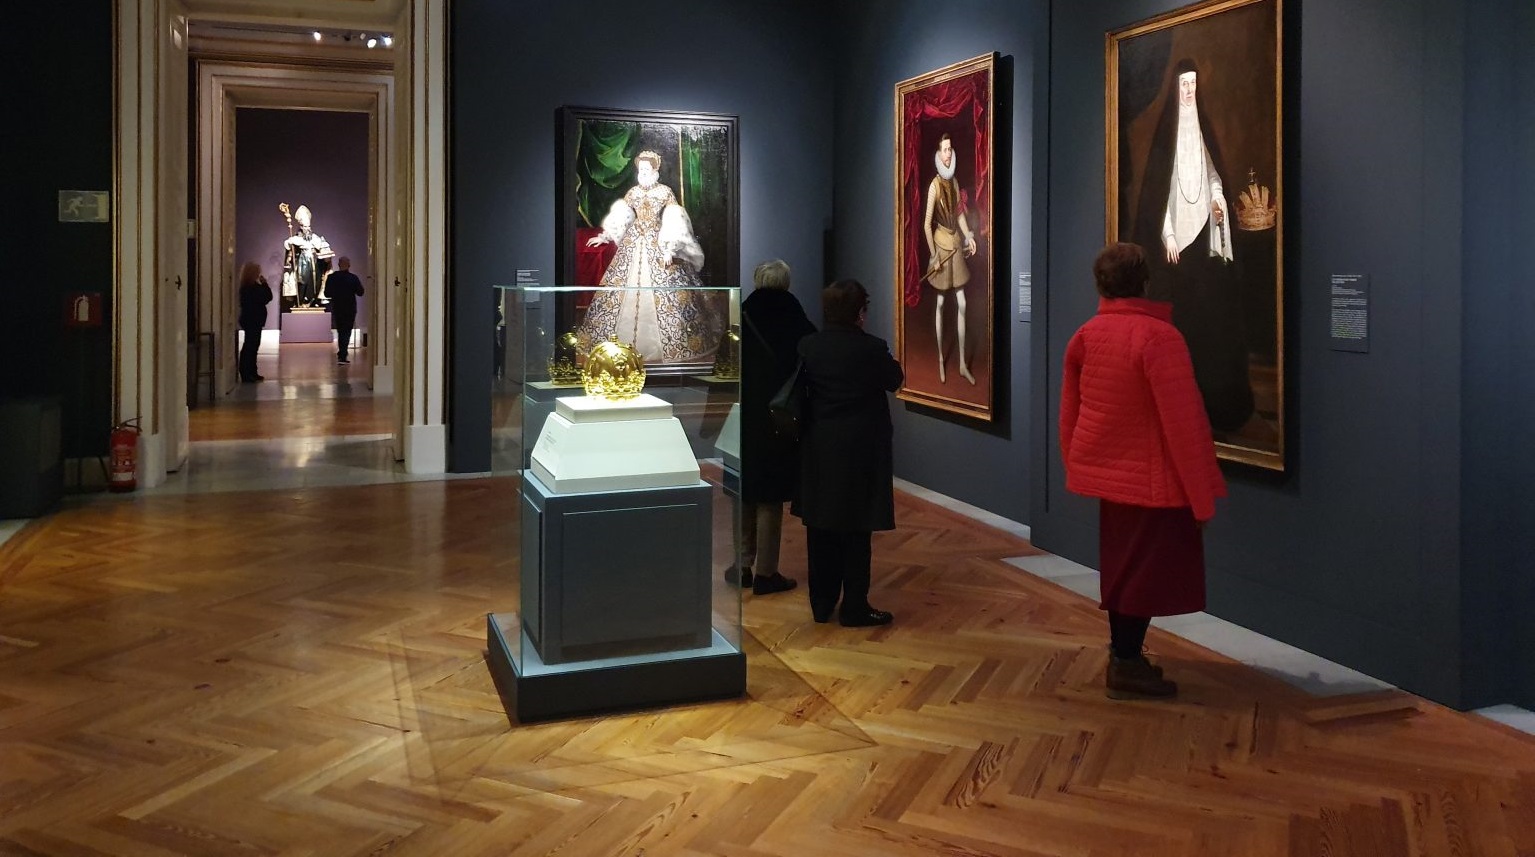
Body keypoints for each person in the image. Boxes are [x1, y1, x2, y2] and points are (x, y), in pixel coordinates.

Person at [1059, 243, 1227, 699]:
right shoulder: (1158, 338)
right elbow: (1184, 421)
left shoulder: (1087, 334)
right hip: (1152, 481)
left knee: (1122, 569)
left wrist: (1078, 463)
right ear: (1145, 281)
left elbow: (1070, 412)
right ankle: (1126, 662)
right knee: (1142, 574)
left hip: (1113, 479)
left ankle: (1124, 656)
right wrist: (1201, 494)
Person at [1131, 59, 1254, 433]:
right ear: (1175, 87)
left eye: (1193, 84)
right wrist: (1167, 235)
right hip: (1175, 248)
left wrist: (1217, 198)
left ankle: (1215, 401)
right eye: (1184, 84)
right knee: (1179, 323)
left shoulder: (1202, 131)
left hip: (1204, 242)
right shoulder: (1168, 135)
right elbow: (1158, 198)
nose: (1188, 90)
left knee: (1210, 319)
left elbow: (1214, 176)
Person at [794, 279, 904, 627]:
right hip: (860, 448)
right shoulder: (871, 348)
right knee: (857, 529)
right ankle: (854, 605)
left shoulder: (809, 346)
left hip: (820, 445)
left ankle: (821, 603)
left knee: (821, 526)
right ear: (860, 312)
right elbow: (894, 379)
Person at [576, 150, 724, 364]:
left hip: (658, 240)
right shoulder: (633, 192)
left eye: (647, 169)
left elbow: (675, 219)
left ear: (655, 170)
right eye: (640, 169)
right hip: (634, 241)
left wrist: (669, 250)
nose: (642, 172)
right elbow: (623, 216)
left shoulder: (665, 192)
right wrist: (605, 236)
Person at [727, 260, 816, 596]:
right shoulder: (795, 317)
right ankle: (767, 571)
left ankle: (741, 565)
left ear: (756, 280)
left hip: (743, 412)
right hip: (779, 414)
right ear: (787, 283)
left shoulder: (743, 312)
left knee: (742, 489)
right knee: (770, 495)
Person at [923, 133, 978, 385]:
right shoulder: (935, 186)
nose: (948, 153)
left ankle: (963, 364)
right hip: (941, 247)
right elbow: (926, 225)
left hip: (956, 245)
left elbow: (960, 217)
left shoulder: (954, 183)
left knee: (963, 304)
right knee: (940, 304)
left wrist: (968, 237)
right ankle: (940, 362)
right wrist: (934, 255)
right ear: (938, 153)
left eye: (950, 149)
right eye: (944, 149)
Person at [283, 204, 334, 307]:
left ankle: (312, 301)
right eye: (305, 227)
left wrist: (325, 253)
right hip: (302, 262)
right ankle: (301, 302)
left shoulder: (315, 238)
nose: (307, 229)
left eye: (309, 226)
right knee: (302, 281)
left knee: (315, 282)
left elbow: (323, 247)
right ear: (301, 227)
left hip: (314, 263)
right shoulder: (296, 239)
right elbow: (290, 251)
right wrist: (290, 252)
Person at [324, 256, 365, 364]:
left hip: (338, 306)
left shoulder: (332, 277)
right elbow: (360, 292)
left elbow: (326, 293)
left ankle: (342, 353)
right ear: (349, 265)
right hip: (350, 307)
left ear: (339, 264)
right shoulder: (353, 278)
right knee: (347, 331)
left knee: (340, 330)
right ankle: (343, 353)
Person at [237, 261, 273, 383]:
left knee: (253, 346)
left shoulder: (250, 287)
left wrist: (263, 284)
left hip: (254, 320)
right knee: (250, 346)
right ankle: (246, 373)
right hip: (252, 319)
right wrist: (264, 284)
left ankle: (252, 371)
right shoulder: (249, 288)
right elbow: (266, 297)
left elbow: (267, 297)